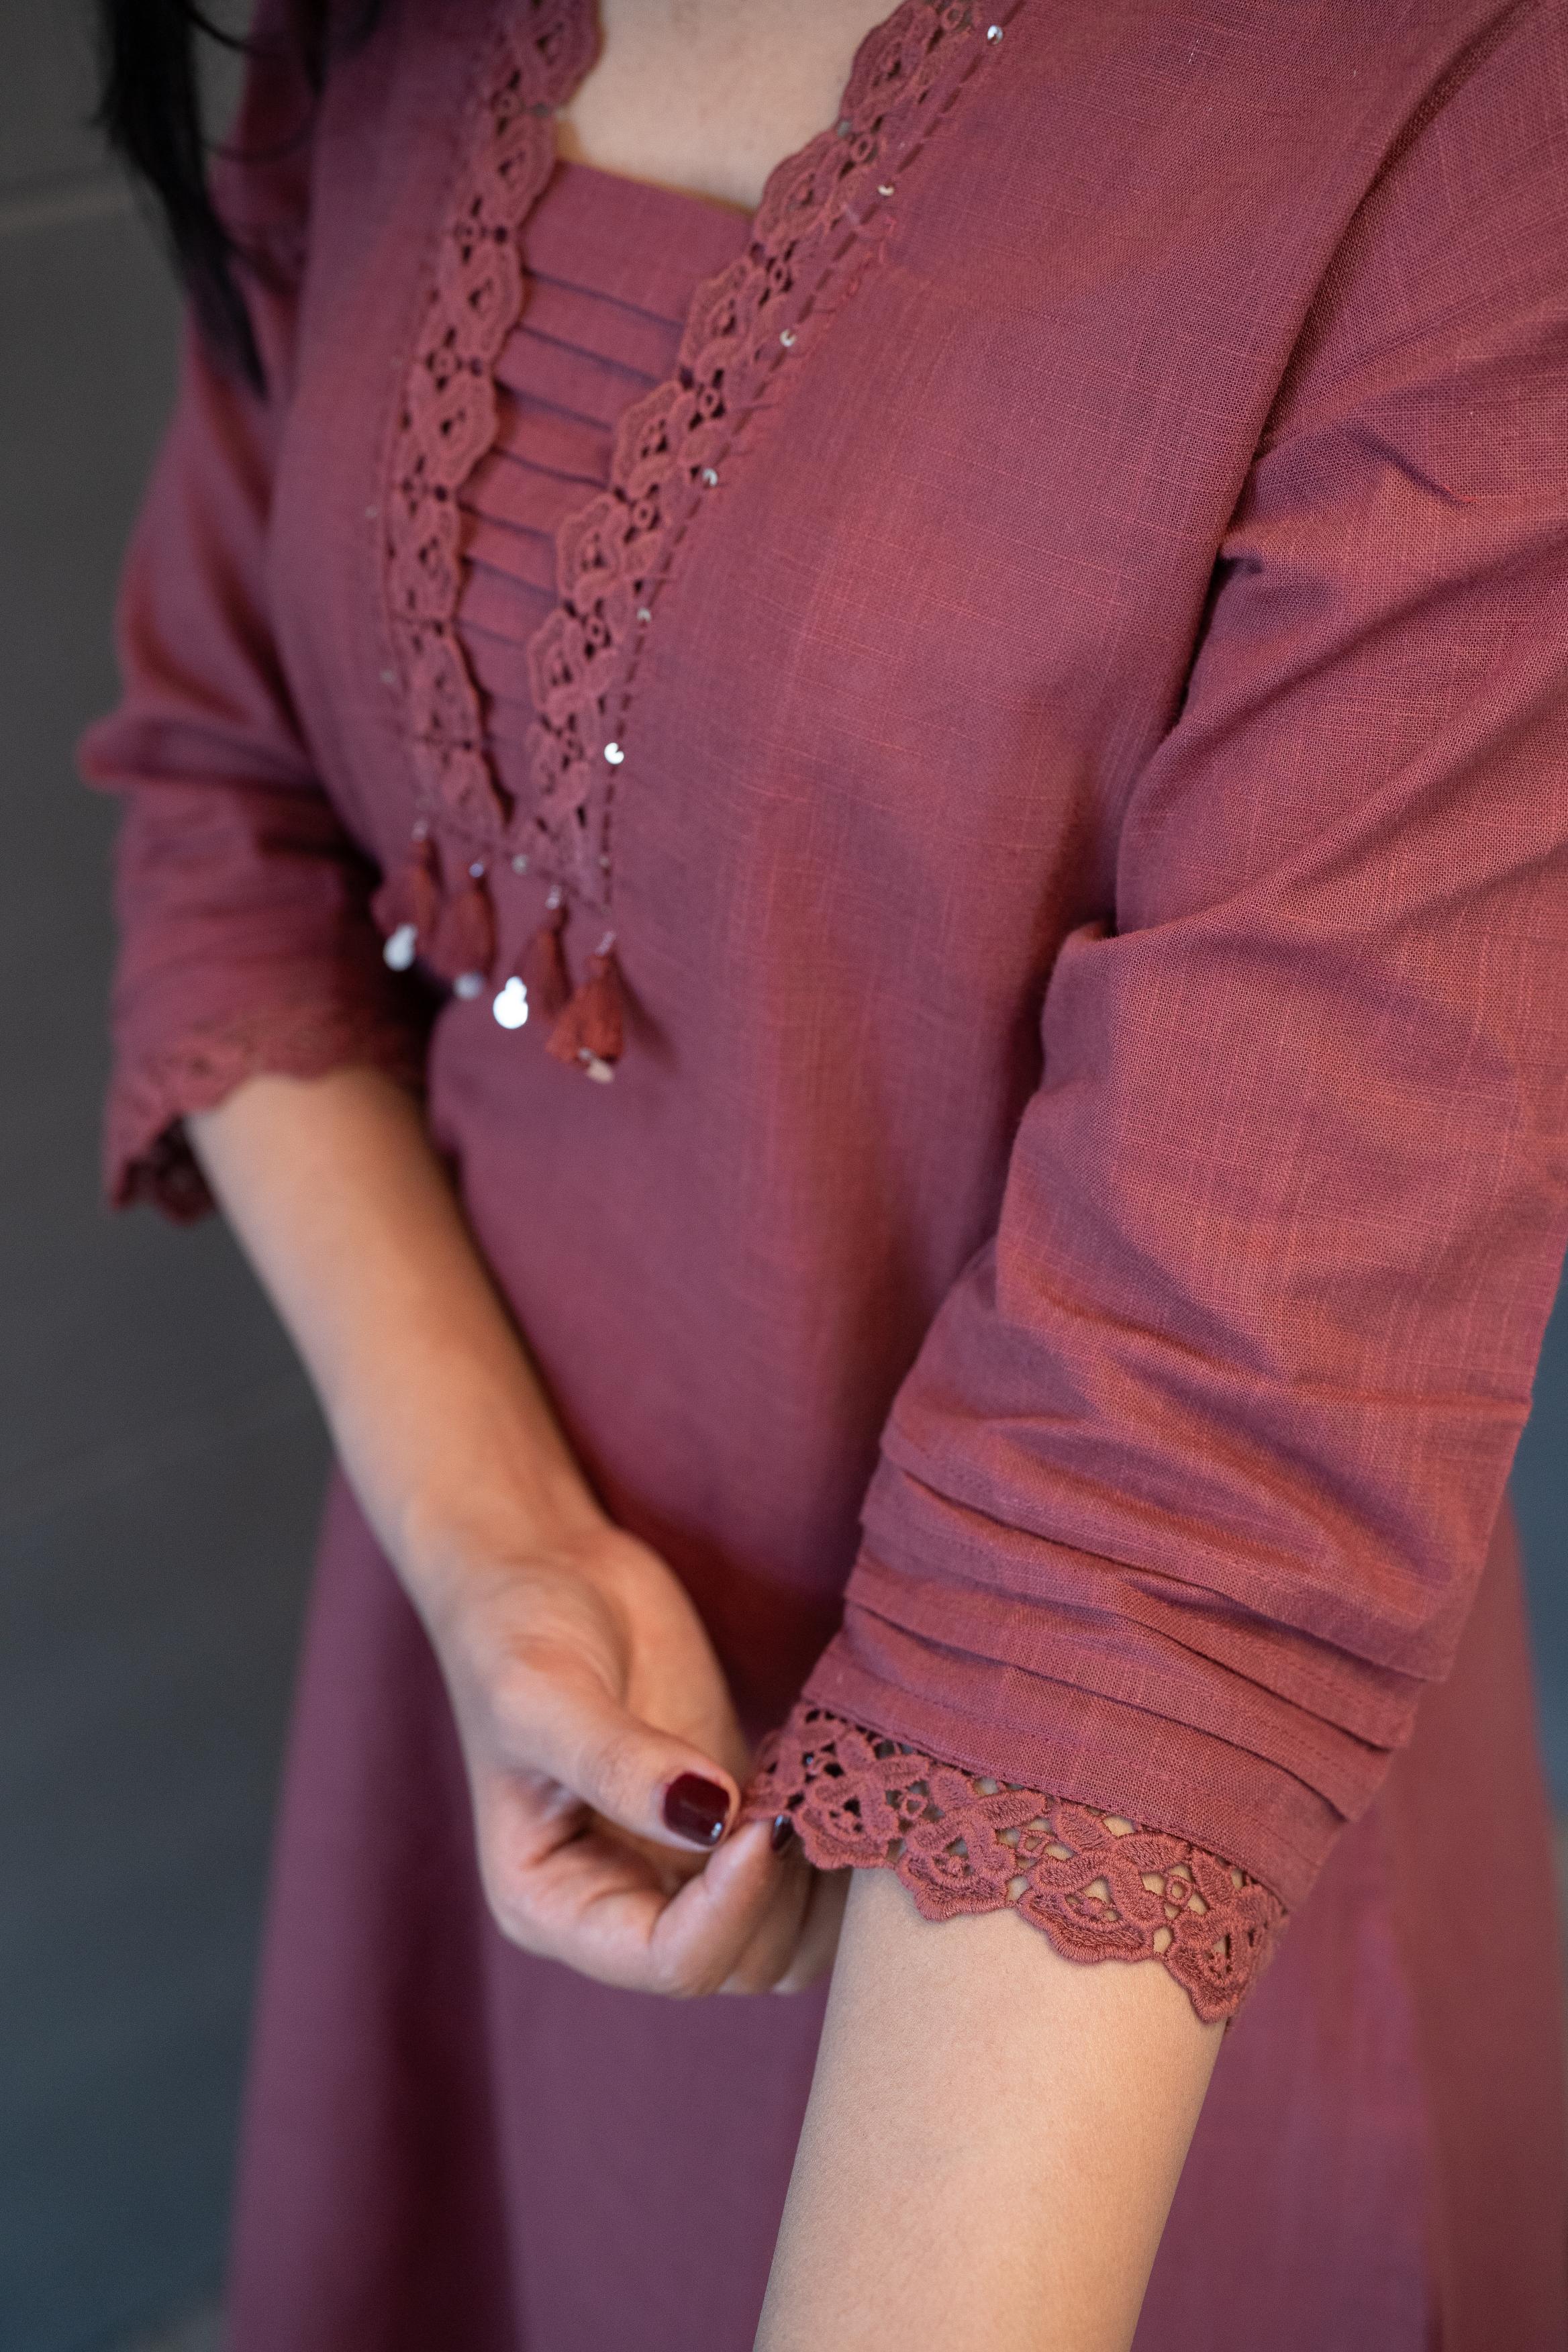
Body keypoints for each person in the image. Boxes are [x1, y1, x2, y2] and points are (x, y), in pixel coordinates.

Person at [85, 1, 1568, 2344]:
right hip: (506, 1756)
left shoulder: (1456, 105)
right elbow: (225, 809)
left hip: (1075, 1999)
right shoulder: (351, 40)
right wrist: (497, 1556)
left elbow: (1194, 1454)